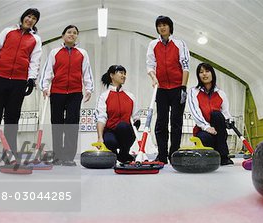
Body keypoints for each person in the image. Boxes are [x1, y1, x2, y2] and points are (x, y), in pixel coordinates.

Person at [0, 8, 42, 165]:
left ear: (35, 22)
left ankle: (10, 154)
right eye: (28, 16)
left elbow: (35, 61)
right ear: (23, 17)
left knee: (12, 118)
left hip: (18, 82)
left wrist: (31, 79)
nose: (30, 19)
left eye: (34, 18)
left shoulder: (36, 39)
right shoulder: (8, 31)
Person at [40, 25, 94, 166]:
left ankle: (68, 157)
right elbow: (47, 71)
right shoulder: (54, 52)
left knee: (72, 124)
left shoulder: (82, 53)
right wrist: (45, 87)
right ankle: (57, 156)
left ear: (77, 36)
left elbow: (87, 72)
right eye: (69, 32)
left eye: (75, 33)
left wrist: (89, 89)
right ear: (63, 35)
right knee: (57, 124)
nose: (72, 35)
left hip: (75, 93)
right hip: (57, 92)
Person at [146, 15, 190, 164]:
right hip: (161, 89)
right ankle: (162, 155)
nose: (162, 27)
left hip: (178, 88)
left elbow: (185, 66)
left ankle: (174, 154)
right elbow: (150, 65)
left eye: (165, 25)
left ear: (170, 27)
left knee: (176, 122)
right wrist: (153, 78)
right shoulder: (153, 45)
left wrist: (183, 87)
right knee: (161, 122)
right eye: (159, 25)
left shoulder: (180, 44)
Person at [187, 62, 234, 165]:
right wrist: (206, 127)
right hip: (203, 130)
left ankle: (223, 156)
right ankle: (213, 154)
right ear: (198, 76)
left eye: (207, 71)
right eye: (201, 72)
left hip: (219, 131)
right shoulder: (193, 92)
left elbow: (225, 113)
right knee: (205, 138)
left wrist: (229, 121)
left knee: (216, 114)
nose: (204, 74)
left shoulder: (221, 94)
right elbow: (195, 112)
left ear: (212, 73)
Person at [95, 65, 141, 163]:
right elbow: (101, 118)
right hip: (110, 132)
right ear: (112, 75)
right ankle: (114, 155)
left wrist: (134, 132)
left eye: (125, 74)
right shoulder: (104, 96)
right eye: (121, 73)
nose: (124, 76)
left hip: (126, 132)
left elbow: (136, 118)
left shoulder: (130, 96)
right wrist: (99, 138)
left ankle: (124, 154)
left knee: (122, 126)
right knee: (109, 141)